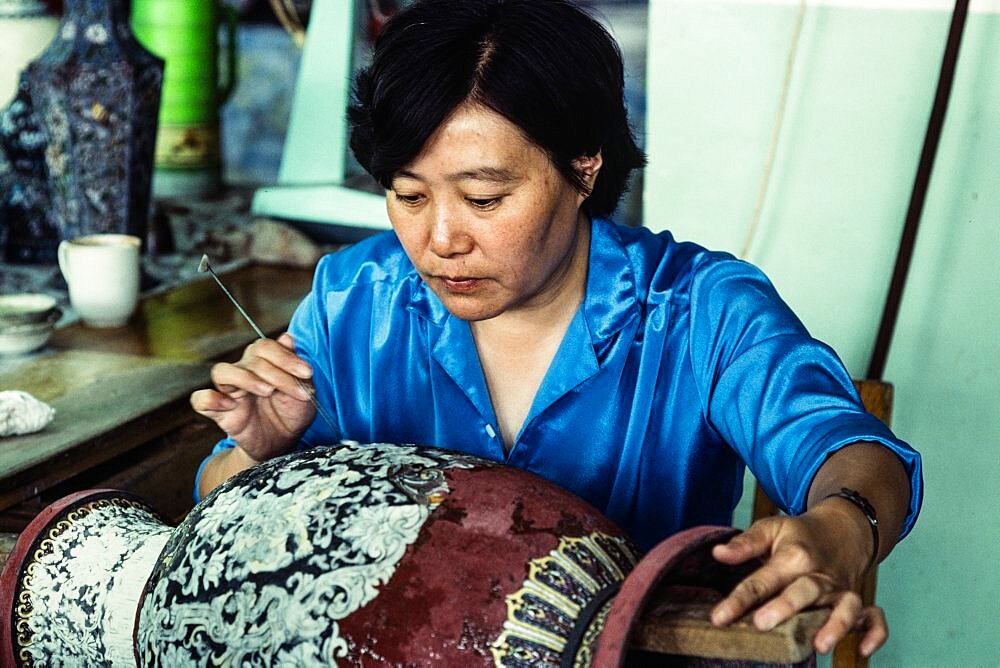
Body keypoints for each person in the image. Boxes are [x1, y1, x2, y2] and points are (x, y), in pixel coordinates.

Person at [191, 0, 922, 658]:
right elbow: (225, 508)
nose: (441, 238)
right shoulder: (357, 302)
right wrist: (263, 455)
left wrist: (842, 527)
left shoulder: (698, 311)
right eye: (408, 195)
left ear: (583, 165)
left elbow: (851, 452)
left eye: (484, 197)